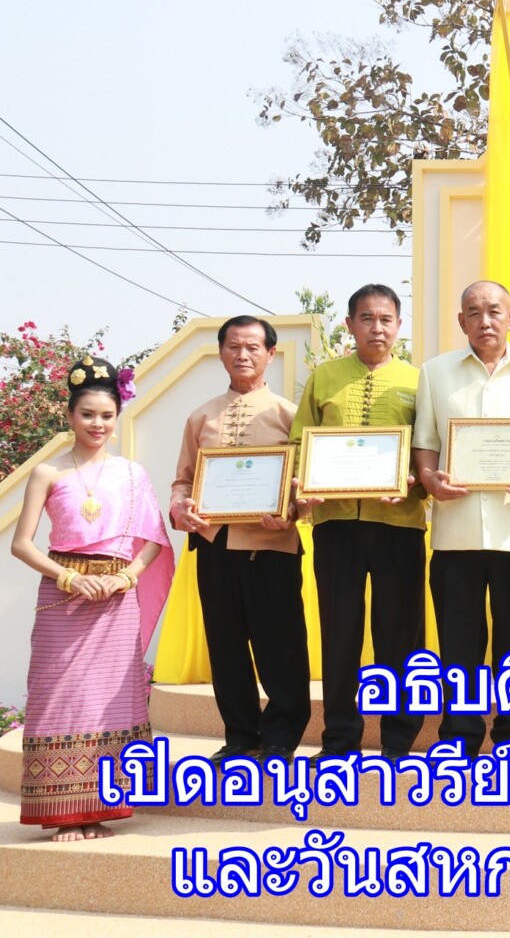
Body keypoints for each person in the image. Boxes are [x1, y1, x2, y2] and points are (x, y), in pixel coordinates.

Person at [11, 357, 173, 840]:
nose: (97, 424)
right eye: (87, 415)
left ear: (117, 419)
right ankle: (62, 813)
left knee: (112, 700)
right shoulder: (47, 473)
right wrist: (67, 578)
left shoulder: (131, 473)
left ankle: (99, 808)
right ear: (69, 417)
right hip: (65, 597)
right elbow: (22, 544)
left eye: (106, 416)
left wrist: (128, 578)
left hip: (116, 597)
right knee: (58, 698)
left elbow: (154, 538)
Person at [413, 280, 510, 759]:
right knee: (459, 641)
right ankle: (459, 736)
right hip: (455, 529)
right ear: (461, 322)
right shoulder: (435, 373)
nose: (485, 321)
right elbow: (425, 443)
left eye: (494, 311)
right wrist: (429, 479)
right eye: (474, 312)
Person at [291, 284, 426, 761]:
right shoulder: (324, 378)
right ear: (348, 325)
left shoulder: (417, 381)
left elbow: (430, 452)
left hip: (400, 523)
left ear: (398, 325)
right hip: (336, 524)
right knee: (340, 632)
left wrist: (414, 482)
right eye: (366, 318)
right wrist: (303, 484)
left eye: (386, 318)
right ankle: (340, 738)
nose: (377, 327)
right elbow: (297, 447)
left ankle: (398, 739)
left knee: (401, 636)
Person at [171, 316, 311, 763]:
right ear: (220, 352)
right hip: (214, 546)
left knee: (280, 644)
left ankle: (281, 737)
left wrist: (292, 511)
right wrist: (180, 508)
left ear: (271, 353)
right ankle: (240, 736)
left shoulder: (290, 415)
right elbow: (183, 480)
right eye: (234, 346)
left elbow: (304, 485)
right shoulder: (200, 416)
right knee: (225, 644)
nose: (243, 355)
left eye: (253, 347)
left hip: (271, 547)